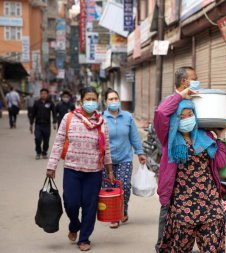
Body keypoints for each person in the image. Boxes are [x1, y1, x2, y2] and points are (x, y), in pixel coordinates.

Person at [154, 81, 226, 251]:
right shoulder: (169, 140)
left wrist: (221, 138)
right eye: (182, 116)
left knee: (213, 249)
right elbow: (160, 113)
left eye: (190, 114)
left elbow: (221, 162)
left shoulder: (205, 135)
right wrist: (181, 94)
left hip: (210, 204)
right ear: (175, 119)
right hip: (183, 206)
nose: (187, 119)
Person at [46, 86, 114, 252]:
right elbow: (59, 142)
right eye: (87, 99)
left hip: (94, 172)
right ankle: (74, 224)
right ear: (81, 101)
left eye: (93, 99)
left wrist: (110, 170)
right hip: (72, 169)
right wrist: (51, 165)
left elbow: (106, 148)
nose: (91, 102)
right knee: (71, 202)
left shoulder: (102, 122)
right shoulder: (69, 118)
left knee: (90, 207)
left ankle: (84, 238)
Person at [103, 88, 147, 229]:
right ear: (105, 102)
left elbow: (134, 136)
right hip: (106, 160)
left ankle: (123, 209)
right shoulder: (101, 118)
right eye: (111, 99)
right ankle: (114, 216)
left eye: (116, 98)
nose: (114, 101)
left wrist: (140, 152)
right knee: (109, 187)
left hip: (125, 158)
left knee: (124, 186)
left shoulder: (127, 117)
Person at [30, 88, 57, 160]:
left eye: (45, 94)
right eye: (42, 94)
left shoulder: (50, 103)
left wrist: (54, 122)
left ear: (47, 95)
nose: (43, 95)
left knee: (46, 140)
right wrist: (31, 124)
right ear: (40, 94)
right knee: (37, 139)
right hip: (38, 125)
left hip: (47, 125)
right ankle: (38, 153)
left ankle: (44, 152)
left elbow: (54, 113)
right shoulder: (36, 103)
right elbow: (32, 114)